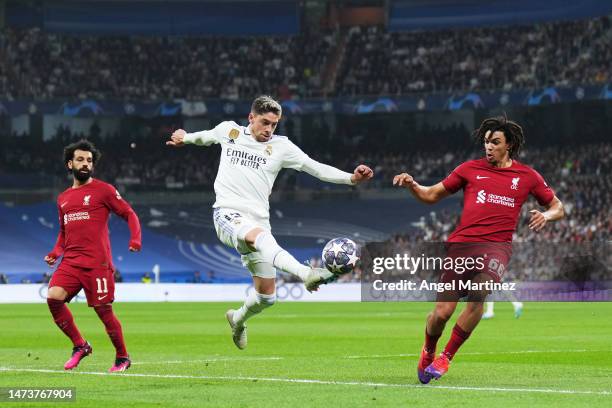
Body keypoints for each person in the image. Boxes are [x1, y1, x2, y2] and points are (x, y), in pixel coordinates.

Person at [167, 95, 373, 349]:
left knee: (267, 297)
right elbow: (204, 137)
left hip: (258, 223)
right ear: (251, 118)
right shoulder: (229, 131)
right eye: (265, 122)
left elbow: (316, 168)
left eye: (274, 124)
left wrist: (351, 178)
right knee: (259, 238)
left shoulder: (282, 147)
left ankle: (238, 319)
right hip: (226, 214)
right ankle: (306, 273)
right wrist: (184, 137)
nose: (269, 129)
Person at [393, 116, 564, 383]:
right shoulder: (469, 169)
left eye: (495, 142)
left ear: (508, 145)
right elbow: (430, 195)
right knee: (441, 314)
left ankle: (445, 357)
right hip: (461, 246)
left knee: (478, 295)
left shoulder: (527, 176)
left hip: (497, 248)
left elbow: (558, 207)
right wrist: (412, 185)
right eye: (486, 142)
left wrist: (547, 216)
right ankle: (429, 349)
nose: (489, 147)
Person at [44, 140, 141, 372]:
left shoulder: (104, 190)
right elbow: (64, 232)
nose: (85, 163)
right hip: (71, 261)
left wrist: (135, 239)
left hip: (97, 263)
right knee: (53, 298)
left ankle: (122, 357)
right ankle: (80, 345)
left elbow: (129, 213)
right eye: (80, 159)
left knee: (103, 311)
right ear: (70, 164)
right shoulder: (63, 198)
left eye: (89, 160)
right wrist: (56, 252)